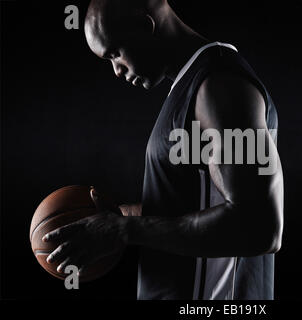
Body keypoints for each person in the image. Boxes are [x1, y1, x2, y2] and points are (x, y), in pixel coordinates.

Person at [43, 0, 283, 300]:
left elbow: (258, 225)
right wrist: (118, 217)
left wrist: (125, 230)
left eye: (115, 53)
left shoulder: (221, 87)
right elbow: (188, 209)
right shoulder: (194, 86)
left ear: (146, 27)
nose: (116, 70)